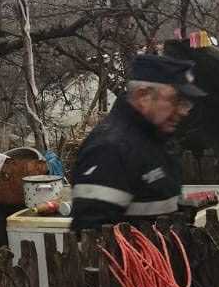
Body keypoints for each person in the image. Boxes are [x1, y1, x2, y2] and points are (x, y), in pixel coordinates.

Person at [69, 53, 206, 229]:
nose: (183, 111)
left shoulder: (155, 139)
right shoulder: (110, 150)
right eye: (176, 100)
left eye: (186, 102)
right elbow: (92, 235)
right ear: (143, 96)